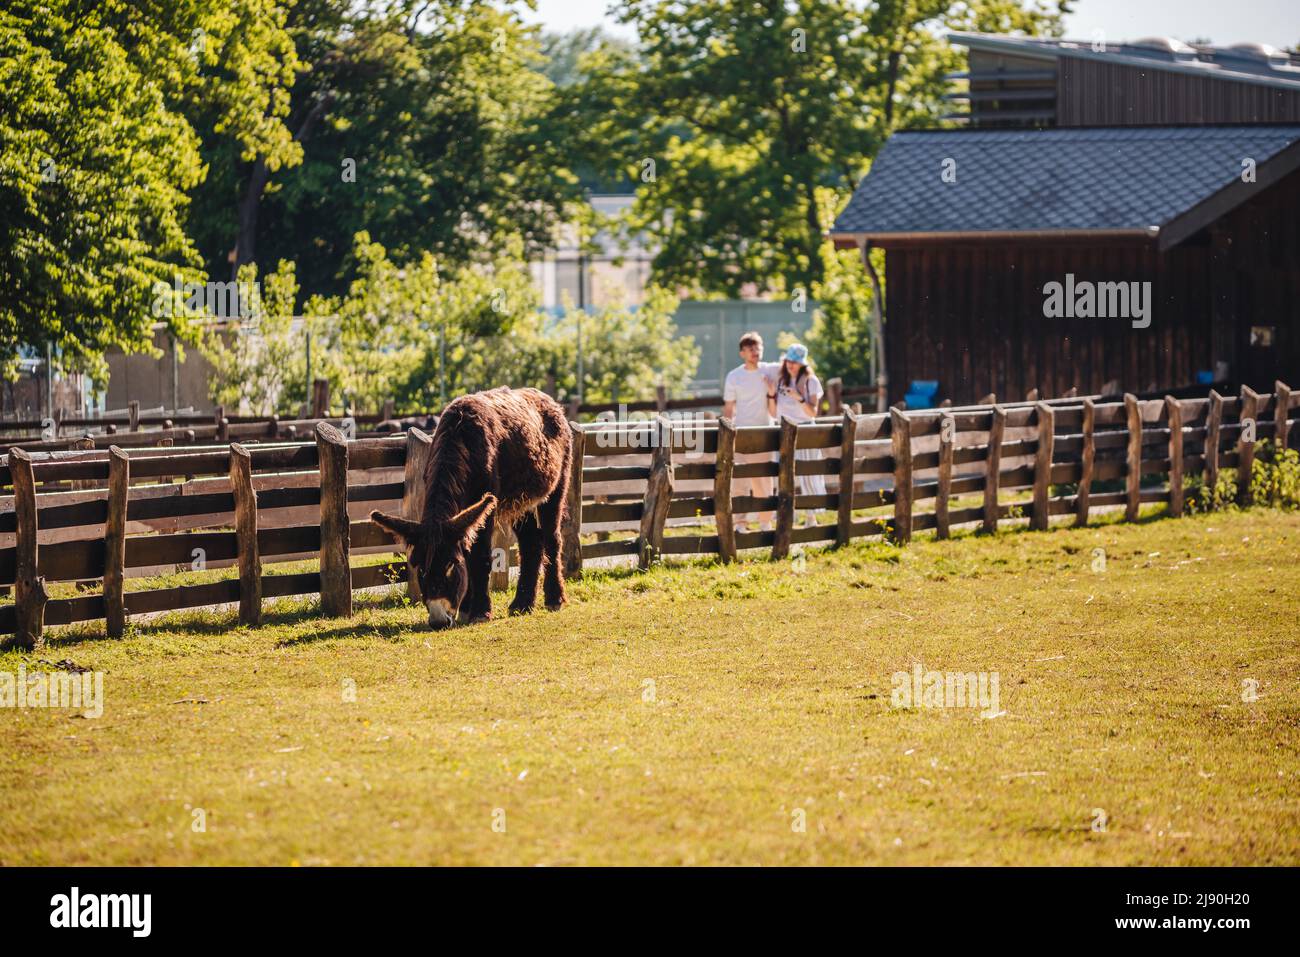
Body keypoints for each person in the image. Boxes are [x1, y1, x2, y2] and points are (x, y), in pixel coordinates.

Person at [722, 331, 779, 532]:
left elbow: (794, 368)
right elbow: (729, 407)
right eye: (750, 348)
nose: (755, 351)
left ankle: (765, 522)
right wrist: (727, 435)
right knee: (739, 479)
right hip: (741, 433)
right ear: (742, 353)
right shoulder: (734, 376)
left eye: (758, 347)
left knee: (764, 479)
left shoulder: (771, 371)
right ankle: (740, 523)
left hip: (764, 433)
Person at [768, 342, 825, 526]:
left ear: (802, 363)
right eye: (788, 360)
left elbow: (813, 412)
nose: (791, 364)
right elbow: (773, 412)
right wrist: (770, 395)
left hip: (805, 430)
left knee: (808, 474)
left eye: (795, 361)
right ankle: (785, 515)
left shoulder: (811, 381)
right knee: (783, 473)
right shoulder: (781, 380)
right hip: (783, 430)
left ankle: (811, 517)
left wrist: (799, 398)